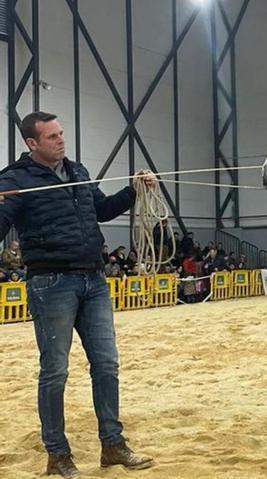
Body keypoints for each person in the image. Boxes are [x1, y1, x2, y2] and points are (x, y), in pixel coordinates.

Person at [0, 111, 154, 477]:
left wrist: (134, 190)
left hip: (94, 280)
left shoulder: (79, 171)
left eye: (60, 133)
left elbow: (100, 210)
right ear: (32, 143)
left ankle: (113, 445)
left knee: (107, 365)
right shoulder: (16, 180)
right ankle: (57, 454)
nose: (60, 140)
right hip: (51, 284)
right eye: (51, 136)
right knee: (55, 371)